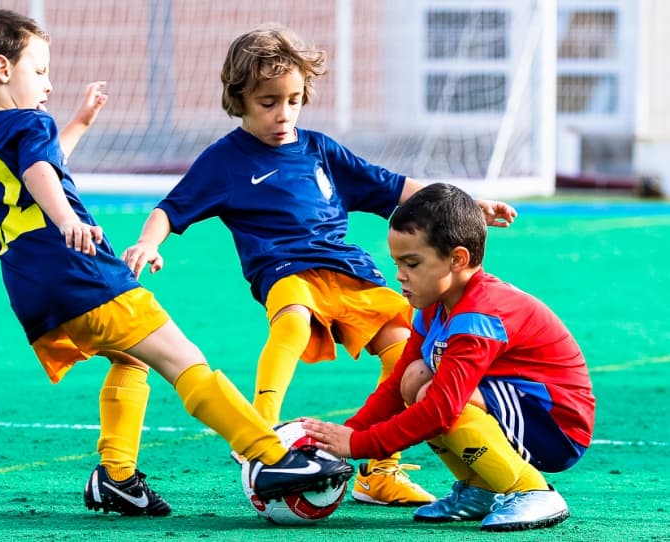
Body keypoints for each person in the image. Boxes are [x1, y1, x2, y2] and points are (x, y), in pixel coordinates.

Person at [0, 9, 353, 518]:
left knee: (131, 358)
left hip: (35, 291)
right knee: (184, 361)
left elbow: (40, 163)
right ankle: (271, 457)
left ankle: (116, 477)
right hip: (83, 274)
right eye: (40, 70)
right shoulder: (31, 123)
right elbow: (38, 170)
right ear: (3, 69)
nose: (48, 84)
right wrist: (66, 219)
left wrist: (79, 123)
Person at [123, 24, 517, 507]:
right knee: (292, 321)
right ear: (239, 99)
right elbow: (172, 208)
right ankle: (256, 429)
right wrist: (148, 242)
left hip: (349, 272)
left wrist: (469, 203)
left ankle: (380, 473)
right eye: (268, 102)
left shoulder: (320, 150)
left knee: (405, 354)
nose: (283, 114)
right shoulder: (223, 161)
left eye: (293, 100)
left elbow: (393, 186)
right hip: (285, 271)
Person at [302, 182, 595, 531]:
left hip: (555, 422)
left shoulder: (479, 316)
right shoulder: (433, 306)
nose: (399, 275)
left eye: (412, 263)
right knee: (414, 378)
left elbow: (441, 409)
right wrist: (344, 434)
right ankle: (481, 489)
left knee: (433, 399)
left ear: (458, 259)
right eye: (398, 262)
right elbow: (397, 386)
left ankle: (531, 491)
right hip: (515, 403)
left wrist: (360, 444)